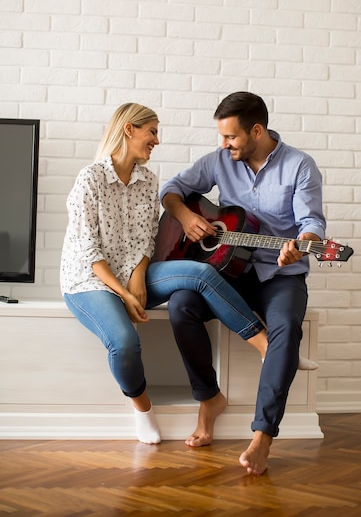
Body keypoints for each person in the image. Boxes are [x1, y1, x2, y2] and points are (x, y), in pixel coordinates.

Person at [60, 102, 272, 446]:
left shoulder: (148, 180)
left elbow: (147, 238)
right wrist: (126, 293)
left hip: (133, 275)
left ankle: (265, 345)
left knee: (200, 273)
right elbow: (88, 250)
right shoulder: (91, 178)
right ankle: (143, 410)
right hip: (89, 280)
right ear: (129, 129)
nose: (157, 140)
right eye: (152, 132)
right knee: (125, 343)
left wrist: (138, 277)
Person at [160, 92, 326, 474]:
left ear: (256, 130)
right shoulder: (218, 161)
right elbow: (170, 190)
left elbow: (312, 226)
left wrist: (302, 248)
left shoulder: (300, 166)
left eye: (231, 137)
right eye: (221, 137)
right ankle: (209, 400)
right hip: (227, 273)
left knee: (286, 328)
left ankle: (262, 437)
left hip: (280, 275)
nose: (224, 145)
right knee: (181, 304)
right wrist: (186, 217)